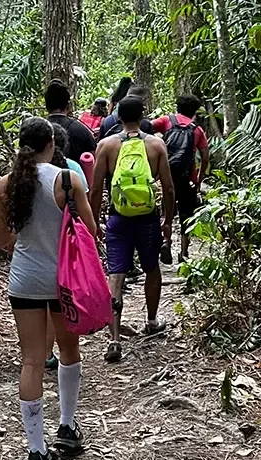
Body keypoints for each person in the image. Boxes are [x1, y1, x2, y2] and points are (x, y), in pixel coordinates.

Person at [0, 117, 95, 460]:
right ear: (52, 142)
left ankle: (36, 451)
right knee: (69, 351)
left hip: (23, 280)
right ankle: (67, 427)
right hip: (63, 280)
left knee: (32, 361)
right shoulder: (68, 180)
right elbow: (90, 229)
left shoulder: (6, 184)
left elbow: (2, 240)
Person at [90, 96, 175, 363]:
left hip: (118, 218)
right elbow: (169, 188)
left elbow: (95, 189)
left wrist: (95, 223)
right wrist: (168, 221)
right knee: (152, 269)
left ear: (117, 115)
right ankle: (151, 320)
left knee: (116, 275)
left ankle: (114, 339)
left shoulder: (105, 145)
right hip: (148, 219)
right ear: (143, 115)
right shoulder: (156, 144)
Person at [44, 124, 88, 370]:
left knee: (46, 308)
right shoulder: (72, 171)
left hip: (33, 263)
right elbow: (86, 217)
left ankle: (48, 352)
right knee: (62, 305)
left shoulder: (23, 175)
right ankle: (66, 354)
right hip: (67, 254)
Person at [152, 94, 210, 262]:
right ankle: (184, 252)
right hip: (188, 178)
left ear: (177, 107)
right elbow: (205, 157)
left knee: (168, 211)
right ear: (194, 112)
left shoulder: (166, 121)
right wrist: (199, 178)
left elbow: (145, 130)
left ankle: (166, 241)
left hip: (167, 176)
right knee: (187, 214)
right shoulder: (197, 130)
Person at [45, 79, 97, 162]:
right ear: (68, 105)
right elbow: (93, 158)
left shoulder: (37, 130)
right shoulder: (81, 130)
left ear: (46, 105)